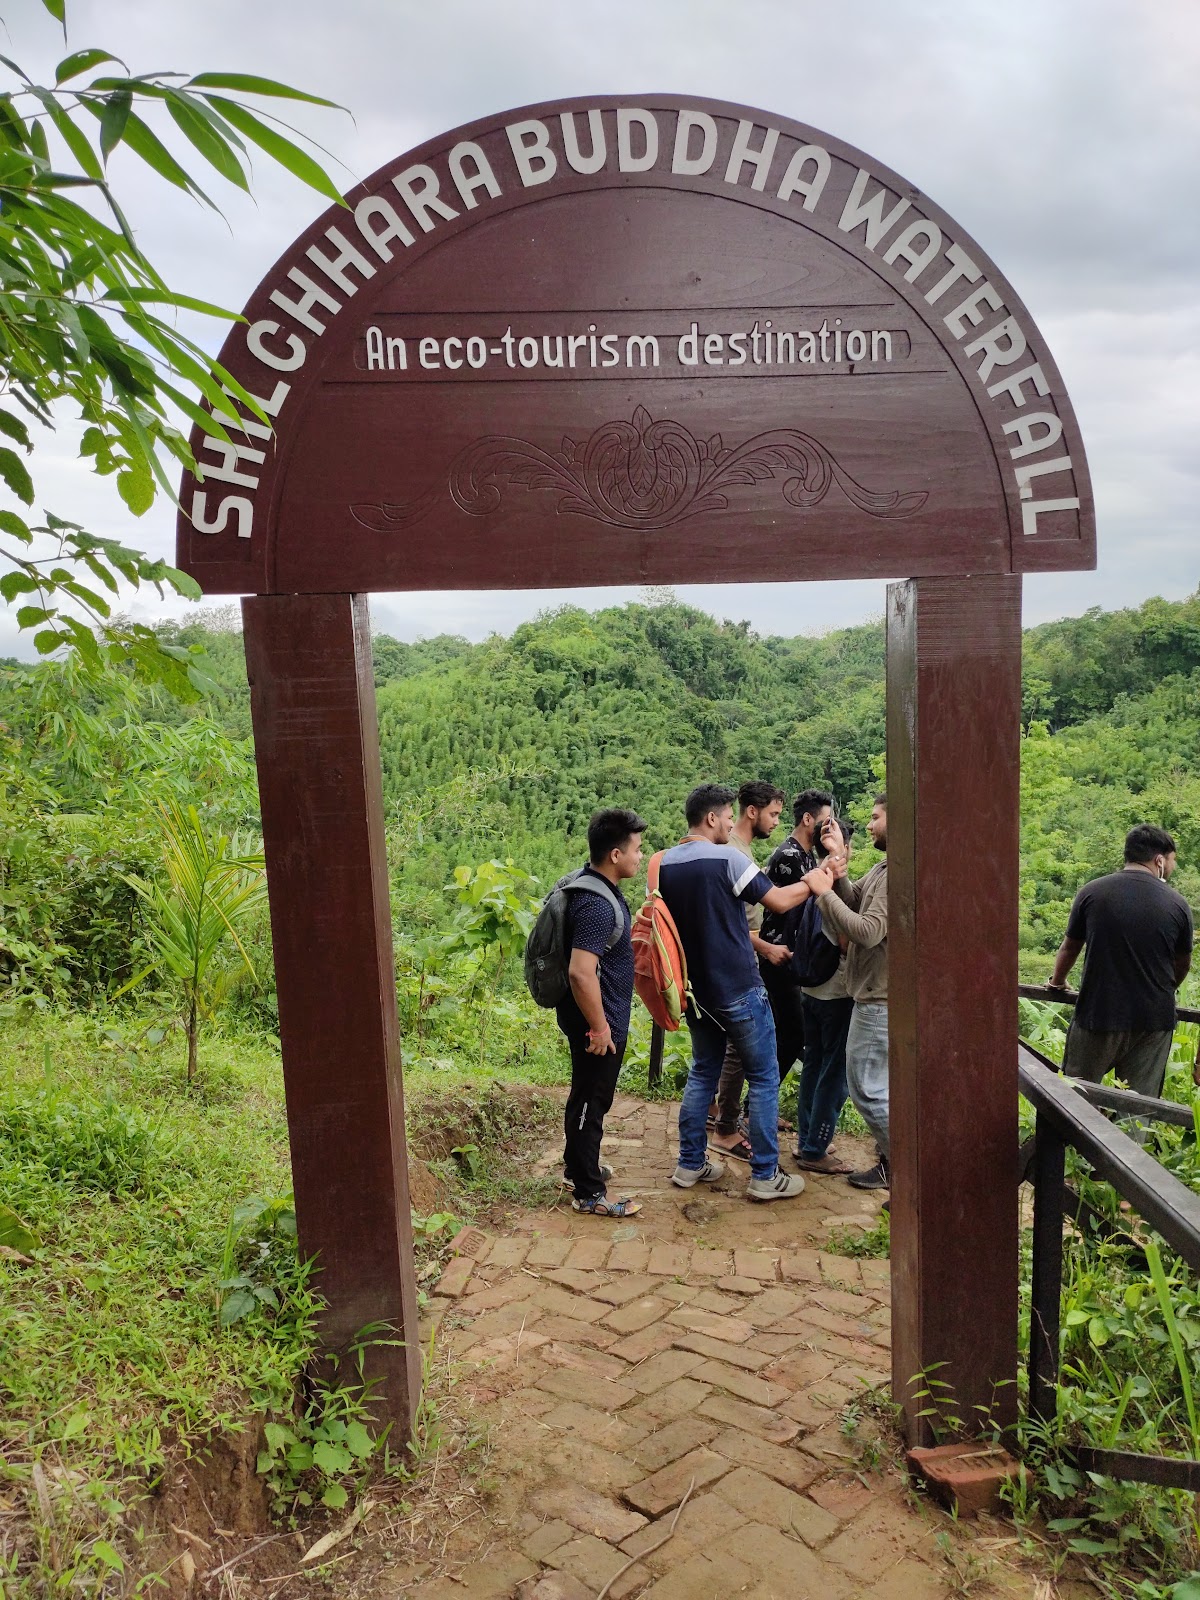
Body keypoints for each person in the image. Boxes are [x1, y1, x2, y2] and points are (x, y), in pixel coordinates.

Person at [659, 783, 843, 1202]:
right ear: (711, 818)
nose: (730, 823)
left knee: (703, 1071)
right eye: (727, 816)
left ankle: (689, 1164)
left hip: (695, 990)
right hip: (739, 986)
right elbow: (778, 901)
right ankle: (765, 1174)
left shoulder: (663, 863)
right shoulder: (727, 858)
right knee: (762, 1077)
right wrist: (818, 880)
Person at [1048, 824, 1193, 1099]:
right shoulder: (1177, 904)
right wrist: (1162, 989)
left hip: (1099, 1012)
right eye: (1173, 860)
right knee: (1139, 1105)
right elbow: (1182, 962)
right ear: (1159, 860)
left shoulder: (1092, 892)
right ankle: (1130, 1143)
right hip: (1153, 1019)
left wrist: (1057, 982)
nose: (1173, 867)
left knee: (1074, 1097)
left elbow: (1070, 947)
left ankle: (1067, 1141)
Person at [557, 807, 648, 1217]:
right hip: (597, 1021)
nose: (640, 856)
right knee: (592, 1104)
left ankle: (578, 1167)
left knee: (588, 1096)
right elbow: (580, 972)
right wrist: (599, 1028)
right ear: (615, 854)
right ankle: (589, 1193)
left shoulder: (594, 886)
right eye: (637, 849)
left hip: (599, 1017)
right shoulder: (595, 903)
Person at [805, 795, 890, 1191]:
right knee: (873, 1088)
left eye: (875, 818)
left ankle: (914, 1168)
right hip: (869, 993)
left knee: (867, 1092)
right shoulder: (884, 868)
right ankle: (897, 1165)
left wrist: (824, 892)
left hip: (878, 999)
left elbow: (868, 931)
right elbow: (854, 901)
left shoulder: (895, 874)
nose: (869, 825)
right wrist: (838, 867)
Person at [708, 780, 789, 1164]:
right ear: (751, 811)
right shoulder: (733, 854)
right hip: (738, 972)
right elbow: (737, 927)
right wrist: (767, 947)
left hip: (727, 970)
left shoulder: (739, 852)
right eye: (773, 814)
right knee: (744, 1057)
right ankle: (728, 1129)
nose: (776, 822)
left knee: (727, 1053)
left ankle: (721, 1121)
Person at [761, 787, 836, 1102]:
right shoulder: (791, 855)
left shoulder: (804, 855)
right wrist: (832, 860)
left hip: (789, 957)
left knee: (789, 1034)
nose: (829, 829)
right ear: (808, 819)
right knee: (792, 1036)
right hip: (778, 958)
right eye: (826, 822)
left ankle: (758, 1106)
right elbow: (811, 902)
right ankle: (755, 1108)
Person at [795, 817, 856, 1174]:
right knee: (834, 1074)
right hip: (836, 992)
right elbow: (848, 940)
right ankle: (816, 1149)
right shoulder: (832, 885)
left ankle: (807, 1140)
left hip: (809, 988)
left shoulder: (813, 875)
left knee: (814, 1066)